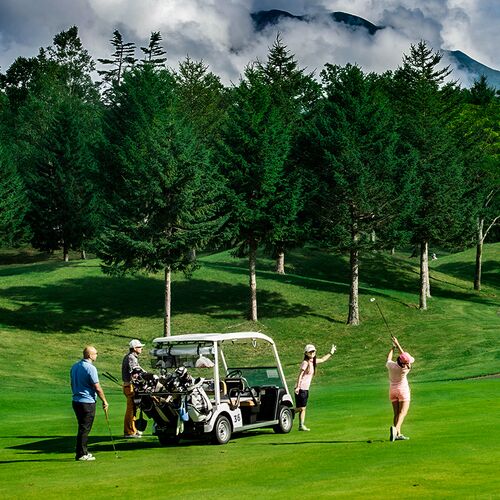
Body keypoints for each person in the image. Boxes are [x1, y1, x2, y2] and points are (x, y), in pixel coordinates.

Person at [70, 345, 108, 461]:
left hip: (76, 401)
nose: (96, 355)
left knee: (82, 427)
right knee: (85, 428)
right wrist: (104, 401)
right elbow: (97, 387)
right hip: (87, 402)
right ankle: (81, 454)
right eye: (95, 353)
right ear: (90, 355)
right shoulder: (91, 368)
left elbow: (72, 384)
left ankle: (82, 451)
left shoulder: (75, 366)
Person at [294, 343, 337, 431]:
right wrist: (298, 387)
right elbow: (300, 375)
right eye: (310, 352)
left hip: (305, 389)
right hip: (301, 388)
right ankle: (287, 412)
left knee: (303, 408)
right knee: (301, 408)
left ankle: (301, 425)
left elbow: (323, 359)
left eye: (313, 351)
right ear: (306, 353)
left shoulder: (312, 361)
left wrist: (331, 352)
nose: (312, 353)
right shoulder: (305, 363)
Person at [386, 335, 415, 442]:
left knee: (396, 413)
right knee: (403, 413)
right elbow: (404, 356)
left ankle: (397, 434)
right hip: (403, 391)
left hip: (392, 391)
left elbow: (389, 358)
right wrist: (398, 344)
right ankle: (396, 429)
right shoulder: (406, 368)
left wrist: (393, 347)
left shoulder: (391, 366)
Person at [122, 339, 145, 438]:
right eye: (140, 347)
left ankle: (133, 430)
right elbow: (135, 372)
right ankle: (129, 432)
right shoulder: (131, 357)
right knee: (131, 410)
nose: (141, 349)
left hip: (129, 386)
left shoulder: (130, 356)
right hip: (130, 386)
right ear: (134, 348)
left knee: (133, 409)